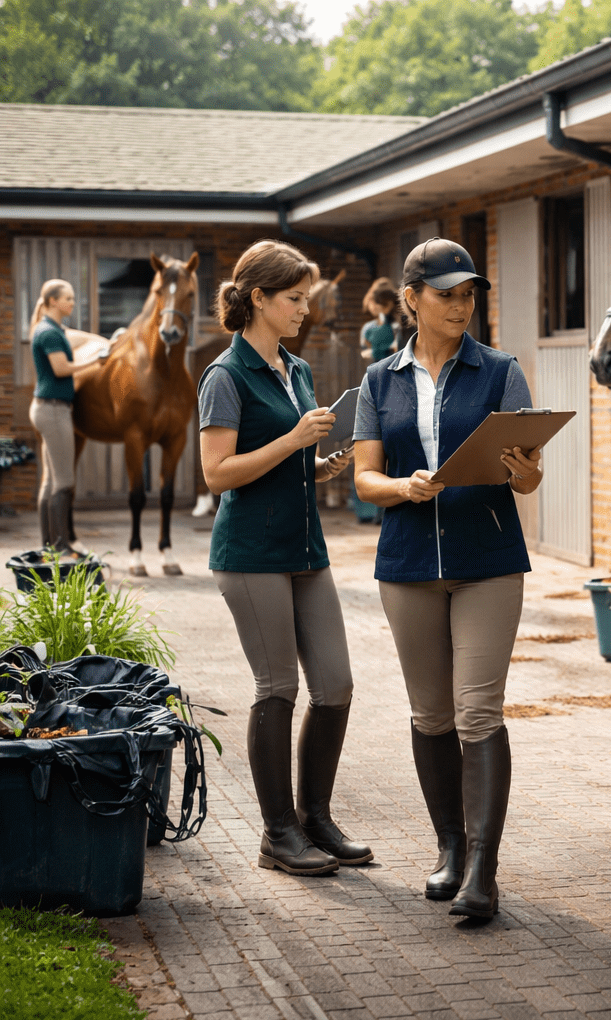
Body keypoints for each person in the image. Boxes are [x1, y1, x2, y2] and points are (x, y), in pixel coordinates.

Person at [352, 237, 541, 919]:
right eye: (446, 295)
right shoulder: (379, 381)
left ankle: (483, 870)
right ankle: (451, 850)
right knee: (431, 714)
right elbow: (364, 477)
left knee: (478, 711)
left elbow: (528, 476)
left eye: (468, 295)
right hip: (407, 565)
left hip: (487, 562)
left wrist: (524, 471)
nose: (461, 306)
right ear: (412, 299)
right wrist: (402, 487)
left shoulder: (501, 372)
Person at [199, 239, 370, 877]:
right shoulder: (225, 376)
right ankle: (277, 834)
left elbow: (286, 459)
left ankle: (314, 819)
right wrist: (293, 439)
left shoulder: (295, 369)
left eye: (306, 299)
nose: (305, 309)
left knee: (336, 686)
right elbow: (217, 473)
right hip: (250, 554)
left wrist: (319, 463)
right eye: (295, 299)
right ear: (259, 298)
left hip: (305, 549)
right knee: (277, 688)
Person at [29, 279, 106, 554]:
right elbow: (61, 369)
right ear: (53, 301)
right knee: (64, 482)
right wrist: (96, 361)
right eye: (68, 298)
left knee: (51, 481)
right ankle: (61, 548)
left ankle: (49, 547)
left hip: (48, 408)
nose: (73, 302)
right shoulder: (48, 333)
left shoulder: (52, 329)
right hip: (53, 411)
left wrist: (106, 343)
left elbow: (76, 337)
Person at [352, 278, 400, 523]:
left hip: (396, 384)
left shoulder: (397, 327)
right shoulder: (369, 328)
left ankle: (384, 509)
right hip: (374, 384)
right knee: (369, 450)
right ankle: (369, 510)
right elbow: (365, 352)